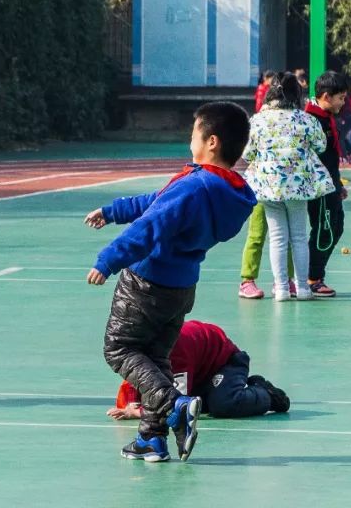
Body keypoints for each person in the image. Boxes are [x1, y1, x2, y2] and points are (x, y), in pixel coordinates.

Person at [84, 102, 256, 462]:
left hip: (146, 281)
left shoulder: (195, 186)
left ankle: (175, 404)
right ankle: (152, 438)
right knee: (157, 359)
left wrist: (109, 259)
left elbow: (151, 225)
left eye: (194, 133)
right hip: (181, 287)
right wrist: (114, 211)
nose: (189, 140)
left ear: (211, 141)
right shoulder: (224, 192)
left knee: (119, 348)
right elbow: (158, 202)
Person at [243, 72, 333, 301]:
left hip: (268, 187)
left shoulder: (258, 120)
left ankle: (282, 289)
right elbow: (321, 145)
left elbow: (247, 154)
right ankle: (302, 288)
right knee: (299, 238)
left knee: (277, 238)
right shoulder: (306, 119)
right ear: (296, 94)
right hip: (299, 186)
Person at [107, 320, 289, 421]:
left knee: (223, 405)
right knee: (199, 404)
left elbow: (176, 406)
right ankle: (215, 392)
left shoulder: (175, 351)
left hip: (227, 362)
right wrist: (132, 402)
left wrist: (138, 413)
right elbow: (136, 376)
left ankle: (266, 393)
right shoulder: (143, 347)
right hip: (198, 373)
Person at [304, 71, 349, 297]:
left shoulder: (327, 118)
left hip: (331, 184)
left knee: (336, 227)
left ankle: (313, 274)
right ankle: (312, 278)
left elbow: (330, 157)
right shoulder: (311, 120)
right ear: (326, 96)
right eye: (341, 98)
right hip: (319, 187)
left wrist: (338, 184)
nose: (343, 102)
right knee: (324, 231)